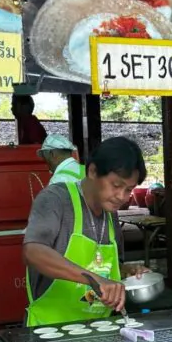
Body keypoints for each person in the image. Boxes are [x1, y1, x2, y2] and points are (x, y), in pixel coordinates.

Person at [23, 136, 150, 326]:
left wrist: (127, 272)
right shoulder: (56, 199)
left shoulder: (110, 214)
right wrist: (93, 279)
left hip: (99, 330)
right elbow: (33, 251)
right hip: (49, 331)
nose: (122, 197)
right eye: (116, 185)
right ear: (92, 171)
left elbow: (105, 268)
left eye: (129, 190)